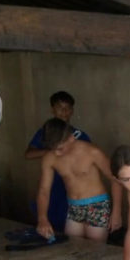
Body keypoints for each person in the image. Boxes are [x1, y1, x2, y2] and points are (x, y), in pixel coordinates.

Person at [36, 118, 122, 242]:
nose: (57, 153)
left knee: (95, 249)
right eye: (52, 149)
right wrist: (42, 218)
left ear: (71, 138)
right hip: (73, 207)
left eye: (60, 148)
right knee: (72, 247)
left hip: (98, 206)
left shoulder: (92, 152)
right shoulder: (49, 158)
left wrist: (117, 212)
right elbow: (44, 190)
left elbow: (115, 179)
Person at [25, 91, 92, 231]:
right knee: (50, 220)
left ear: (72, 111)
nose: (64, 112)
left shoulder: (79, 135)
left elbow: (90, 161)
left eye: (67, 108)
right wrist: (53, 151)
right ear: (52, 110)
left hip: (73, 186)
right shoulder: (44, 133)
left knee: (72, 226)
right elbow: (29, 154)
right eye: (60, 108)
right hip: (52, 183)